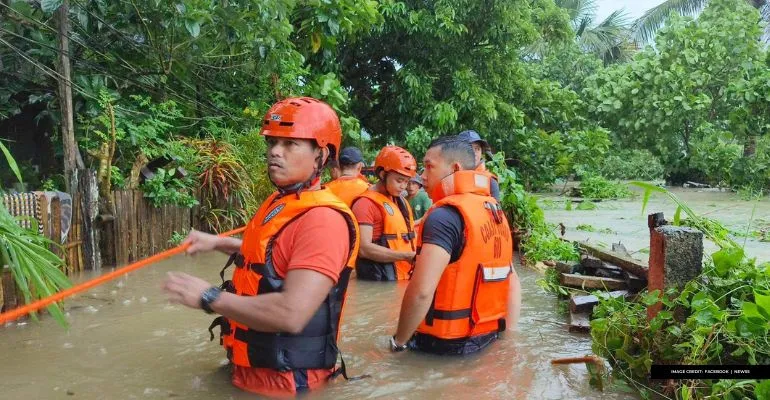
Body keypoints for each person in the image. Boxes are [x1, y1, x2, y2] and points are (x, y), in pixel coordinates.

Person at [162, 97, 360, 397]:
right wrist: (218, 242)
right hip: (252, 374)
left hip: (289, 384)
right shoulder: (282, 202)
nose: (275, 153)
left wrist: (209, 297)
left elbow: (291, 314)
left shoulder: (324, 220)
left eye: (290, 144)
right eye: (272, 143)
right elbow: (268, 257)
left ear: (321, 154)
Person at [389, 136, 521, 355]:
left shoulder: (444, 216)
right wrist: (508, 339)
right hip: (488, 340)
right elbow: (513, 281)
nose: (422, 176)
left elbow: (421, 292)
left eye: (429, 166)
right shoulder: (495, 213)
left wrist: (398, 343)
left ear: (455, 168)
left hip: (443, 347)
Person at [351, 146, 418, 281]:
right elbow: (363, 249)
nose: (404, 187)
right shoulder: (365, 204)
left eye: (406, 181)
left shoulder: (401, 202)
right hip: (379, 282)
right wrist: (406, 256)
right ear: (382, 174)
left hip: (402, 279)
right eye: (399, 180)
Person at [457, 130, 501, 201]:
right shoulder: (449, 177)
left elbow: (496, 211)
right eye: (469, 148)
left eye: (477, 149)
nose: (474, 153)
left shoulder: (491, 182)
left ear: (481, 152)